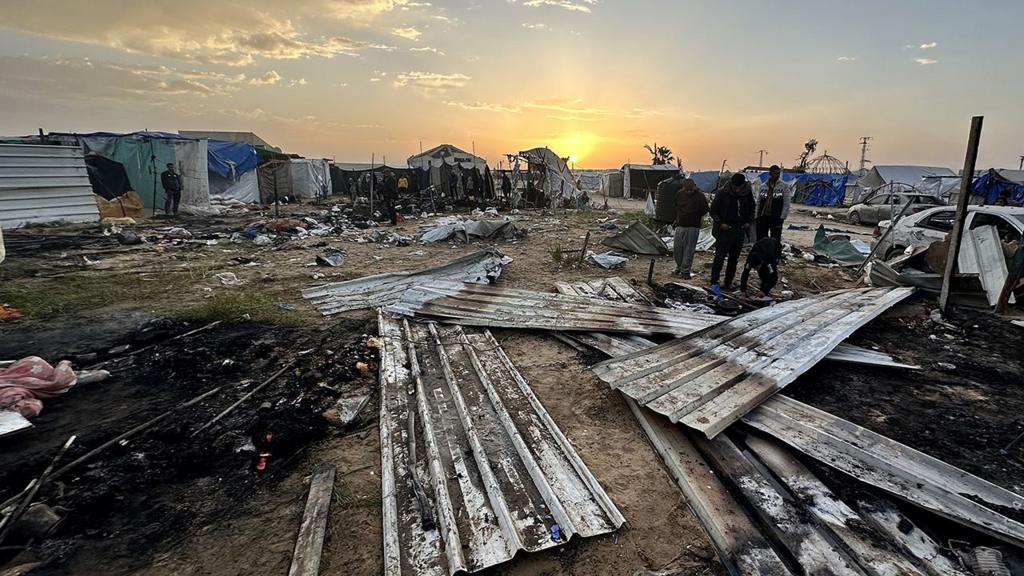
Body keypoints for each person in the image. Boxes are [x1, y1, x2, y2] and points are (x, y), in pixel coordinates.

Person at [709, 172, 755, 296]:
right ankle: (714, 281)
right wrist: (720, 223)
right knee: (719, 257)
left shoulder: (747, 193)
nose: (737, 190)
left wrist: (748, 222)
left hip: (739, 229)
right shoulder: (722, 192)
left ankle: (728, 282)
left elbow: (752, 208)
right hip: (725, 229)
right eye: (735, 187)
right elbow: (713, 211)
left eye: (739, 187)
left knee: (734, 259)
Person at [673, 178, 709, 278]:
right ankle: (679, 267)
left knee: (689, 250)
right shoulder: (679, 194)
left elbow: (705, 210)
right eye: (687, 190)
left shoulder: (700, 196)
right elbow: (675, 206)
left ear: (694, 187)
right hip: (680, 225)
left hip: (693, 226)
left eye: (691, 190)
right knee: (677, 249)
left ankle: (685, 271)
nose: (689, 192)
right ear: (683, 188)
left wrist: (695, 216)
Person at [753, 165, 791, 255]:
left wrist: (782, 217)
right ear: (770, 173)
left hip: (776, 217)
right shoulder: (763, 186)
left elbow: (786, 203)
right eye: (774, 173)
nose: (776, 175)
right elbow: (759, 202)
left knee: (775, 238)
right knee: (761, 238)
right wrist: (756, 216)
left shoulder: (784, 186)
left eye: (778, 173)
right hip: (763, 216)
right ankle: (761, 254)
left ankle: (776, 255)